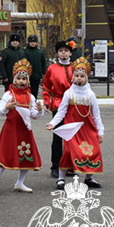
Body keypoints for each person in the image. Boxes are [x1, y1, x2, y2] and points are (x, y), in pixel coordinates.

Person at [0, 59, 44, 194]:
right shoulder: (8, 94)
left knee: (26, 156)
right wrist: (6, 107)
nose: (21, 81)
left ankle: (20, 183)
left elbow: (34, 115)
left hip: (25, 130)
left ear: (28, 81)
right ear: (14, 79)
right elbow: (0, 112)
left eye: (24, 79)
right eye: (19, 78)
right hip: (10, 130)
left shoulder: (30, 97)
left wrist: (40, 110)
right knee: (5, 155)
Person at [47, 57, 104, 190]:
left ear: (86, 78)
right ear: (73, 77)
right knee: (68, 152)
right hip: (72, 129)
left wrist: (100, 131)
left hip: (88, 128)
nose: (79, 78)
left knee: (92, 150)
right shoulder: (69, 93)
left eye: (82, 76)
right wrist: (53, 123)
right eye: (76, 75)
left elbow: (96, 115)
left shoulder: (91, 95)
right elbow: (61, 112)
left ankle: (89, 178)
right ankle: (61, 179)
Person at [41, 40, 75, 179]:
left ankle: (72, 165)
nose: (63, 53)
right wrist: (46, 101)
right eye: (61, 51)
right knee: (58, 136)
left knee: (73, 136)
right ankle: (55, 166)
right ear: (57, 53)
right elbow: (46, 87)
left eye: (66, 51)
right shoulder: (52, 68)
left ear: (70, 53)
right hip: (58, 103)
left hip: (74, 105)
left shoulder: (76, 68)